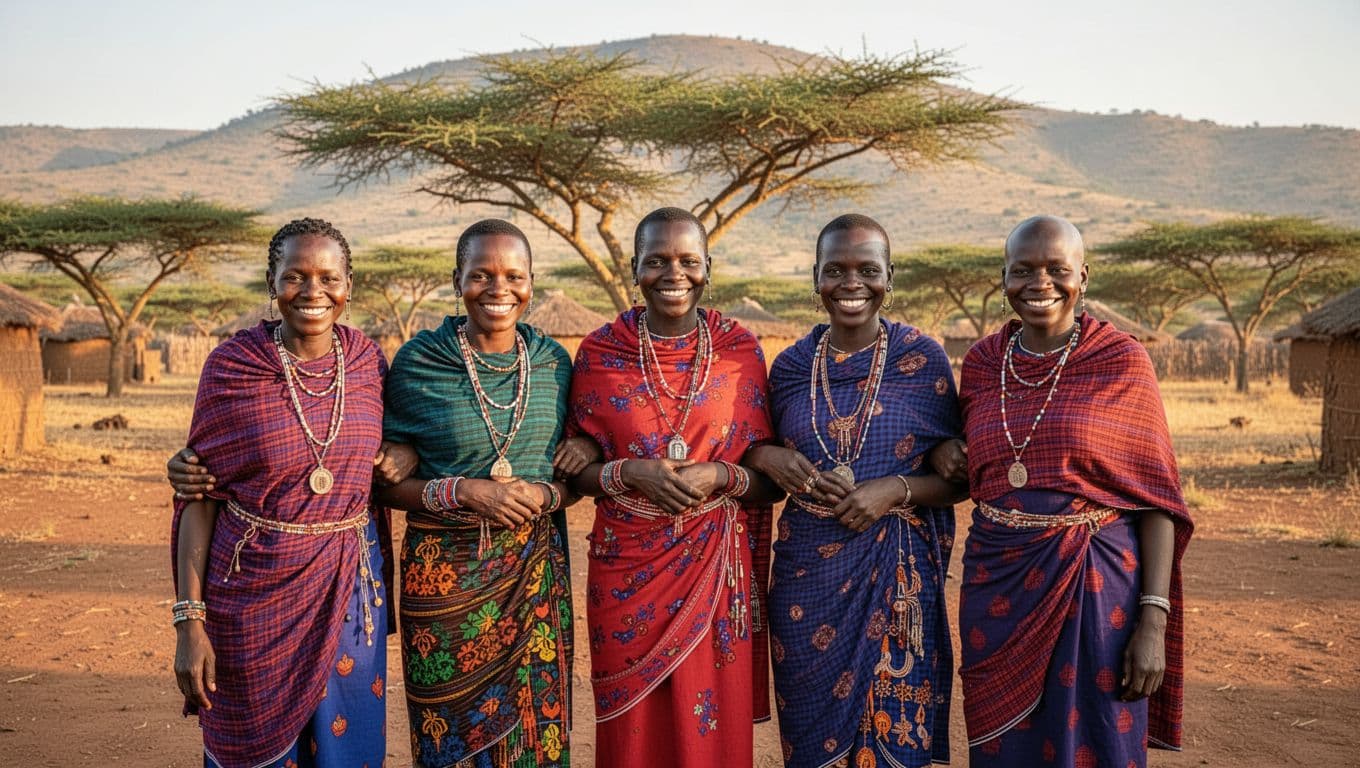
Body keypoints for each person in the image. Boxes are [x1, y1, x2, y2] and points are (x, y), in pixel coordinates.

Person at [933, 215, 1193, 767]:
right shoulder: (981, 363)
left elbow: (1156, 499)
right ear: (1002, 276)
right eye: (1022, 269)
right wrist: (942, 452)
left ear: (1084, 275)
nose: (1040, 283)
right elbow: (963, 455)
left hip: (1097, 584)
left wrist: (1153, 618)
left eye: (1057, 269)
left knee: (1095, 736)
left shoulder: (1120, 360)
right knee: (1002, 741)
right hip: (996, 581)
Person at [744, 214, 967, 768]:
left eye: (868, 269)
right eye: (835, 269)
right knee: (810, 739)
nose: (852, 283)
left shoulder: (923, 361)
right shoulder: (791, 367)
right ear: (814, 277)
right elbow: (752, 451)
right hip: (807, 582)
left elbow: (957, 479)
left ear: (890, 276)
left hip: (897, 584)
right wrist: (768, 455)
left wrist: (894, 490)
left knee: (891, 743)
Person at [170, 218, 392, 768]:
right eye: (295, 276)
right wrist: (189, 624)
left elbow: (406, 446)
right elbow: (200, 496)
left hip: (350, 593)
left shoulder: (369, 363)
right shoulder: (232, 367)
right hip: (250, 597)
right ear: (271, 282)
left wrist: (404, 454)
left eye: (328, 277)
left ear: (348, 285)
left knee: (349, 750)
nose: (313, 292)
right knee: (254, 750)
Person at [566, 207, 782, 768]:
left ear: (708, 267)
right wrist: (626, 473)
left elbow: (765, 482)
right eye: (656, 260)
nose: (673, 273)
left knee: (710, 722)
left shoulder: (739, 350)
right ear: (634, 268)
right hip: (624, 571)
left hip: (716, 569)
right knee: (630, 723)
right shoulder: (600, 351)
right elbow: (574, 469)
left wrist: (718, 475)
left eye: (688, 261)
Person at [374, 219, 589, 768]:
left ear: (531, 284)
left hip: (534, 573)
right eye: (481, 275)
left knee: (536, 734)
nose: (498, 289)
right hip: (443, 581)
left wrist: (546, 496)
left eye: (513, 275)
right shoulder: (420, 362)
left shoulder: (552, 364)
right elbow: (389, 479)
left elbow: (571, 474)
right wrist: (464, 492)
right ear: (457, 280)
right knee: (448, 732)